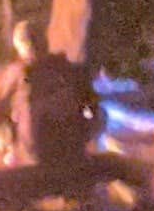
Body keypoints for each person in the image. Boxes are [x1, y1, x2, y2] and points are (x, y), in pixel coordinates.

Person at [10, 20, 98, 182]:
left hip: (37, 155)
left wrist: (11, 137)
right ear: (45, 40)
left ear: (21, 48)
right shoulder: (68, 68)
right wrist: (86, 123)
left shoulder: (18, 73)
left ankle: (14, 153)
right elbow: (90, 105)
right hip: (74, 146)